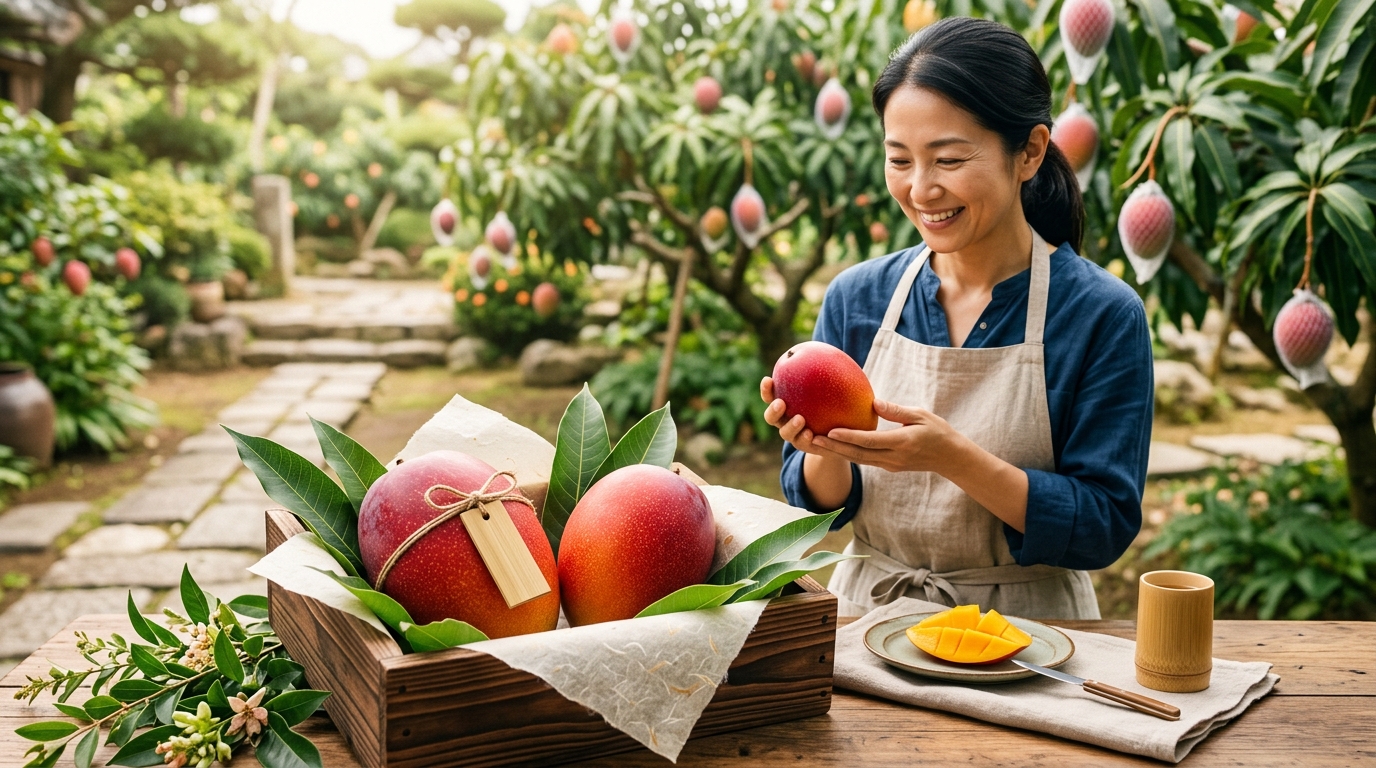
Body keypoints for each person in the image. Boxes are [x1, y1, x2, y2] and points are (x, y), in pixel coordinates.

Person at [761, 17, 1153, 620]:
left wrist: (954, 459)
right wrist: (824, 447)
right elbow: (823, 511)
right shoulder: (858, 298)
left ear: (1029, 151)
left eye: (947, 159)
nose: (920, 189)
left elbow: (1103, 525)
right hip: (869, 620)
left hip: (1030, 636)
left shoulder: (1100, 315)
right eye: (899, 159)